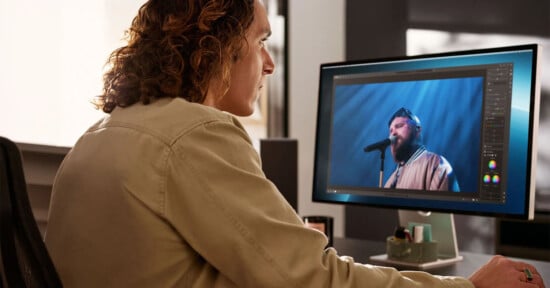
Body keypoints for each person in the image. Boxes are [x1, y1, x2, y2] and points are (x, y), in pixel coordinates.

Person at [44, 0, 546, 287]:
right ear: (216, 44)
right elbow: (315, 281)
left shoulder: (98, 137)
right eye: (261, 41)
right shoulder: (195, 134)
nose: (269, 64)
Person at [384, 107, 460, 191]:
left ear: (418, 130)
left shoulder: (437, 165)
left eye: (399, 126)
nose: (393, 133)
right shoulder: (389, 181)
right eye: (390, 131)